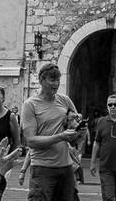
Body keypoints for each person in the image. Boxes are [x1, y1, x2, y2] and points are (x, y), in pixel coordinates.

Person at [21, 63, 79, 201]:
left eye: (58, 80)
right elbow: (31, 141)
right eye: (52, 80)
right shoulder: (30, 105)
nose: (56, 84)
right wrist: (61, 136)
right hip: (42, 169)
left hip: (66, 167)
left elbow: (75, 136)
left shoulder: (65, 100)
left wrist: (78, 128)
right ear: (41, 80)